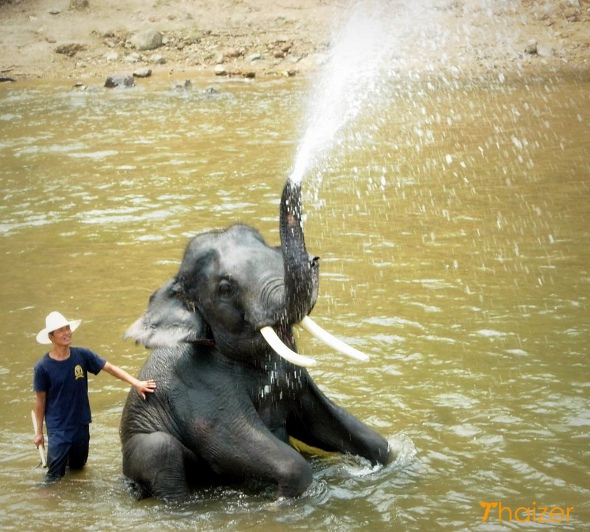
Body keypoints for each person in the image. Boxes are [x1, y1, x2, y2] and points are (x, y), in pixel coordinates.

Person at [33, 311, 156, 484]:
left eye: (67, 327)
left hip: (81, 424)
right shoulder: (42, 367)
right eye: (61, 330)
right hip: (58, 429)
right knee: (54, 477)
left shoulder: (82, 355)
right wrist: (39, 433)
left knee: (78, 469)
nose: (67, 332)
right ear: (51, 337)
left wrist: (136, 383)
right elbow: (40, 401)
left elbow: (110, 368)